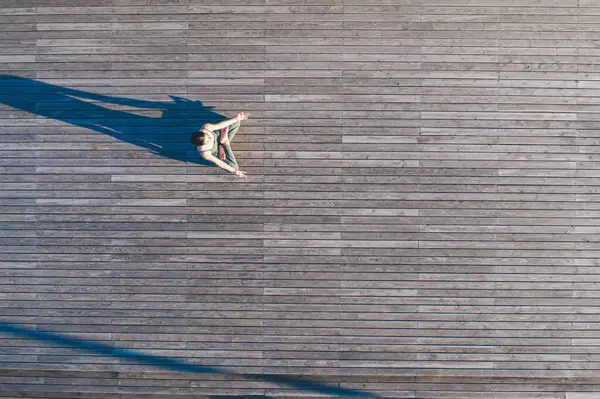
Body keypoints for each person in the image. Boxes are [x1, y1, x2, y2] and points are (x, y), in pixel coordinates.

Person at [191, 112, 249, 178]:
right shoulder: (204, 153)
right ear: (202, 145)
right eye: (207, 141)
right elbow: (219, 163)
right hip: (218, 151)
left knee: (236, 122)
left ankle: (223, 140)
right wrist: (234, 171)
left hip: (218, 135)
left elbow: (221, 125)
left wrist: (236, 118)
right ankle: (225, 143)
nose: (210, 138)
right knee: (234, 167)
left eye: (208, 136)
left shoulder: (206, 127)